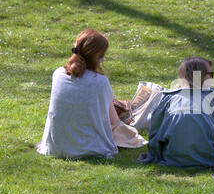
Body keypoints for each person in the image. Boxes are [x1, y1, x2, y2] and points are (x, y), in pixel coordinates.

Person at [37, 29, 145, 159]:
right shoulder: (99, 82)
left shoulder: (58, 74)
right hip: (89, 149)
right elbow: (114, 123)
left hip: (54, 146)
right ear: (98, 57)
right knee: (126, 128)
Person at [138, 56, 214, 169]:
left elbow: (155, 133)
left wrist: (155, 155)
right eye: (211, 74)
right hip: (209, 160)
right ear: (205, 77)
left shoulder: (168, 98)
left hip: (172, 158)